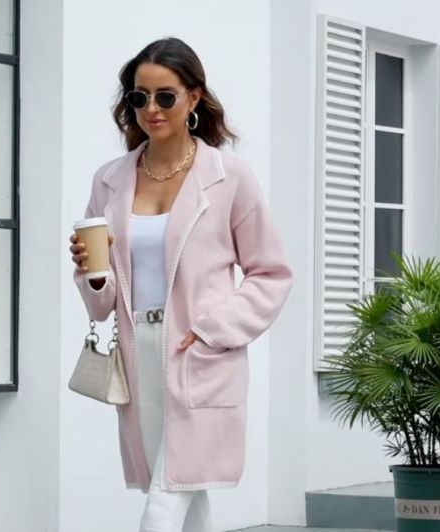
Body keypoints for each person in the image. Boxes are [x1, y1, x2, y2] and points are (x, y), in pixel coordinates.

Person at [68, 37, 292, 532]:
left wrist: (216, 329)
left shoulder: (229, 177)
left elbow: (271, 273)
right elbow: (101, 303)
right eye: (138, 97)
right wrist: (91, 271)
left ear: (193, 98)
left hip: (199, 352)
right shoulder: (110, 180)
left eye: (164, 96)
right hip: (137, 352)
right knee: (182, 488)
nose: (151, 109)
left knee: (165, 500)